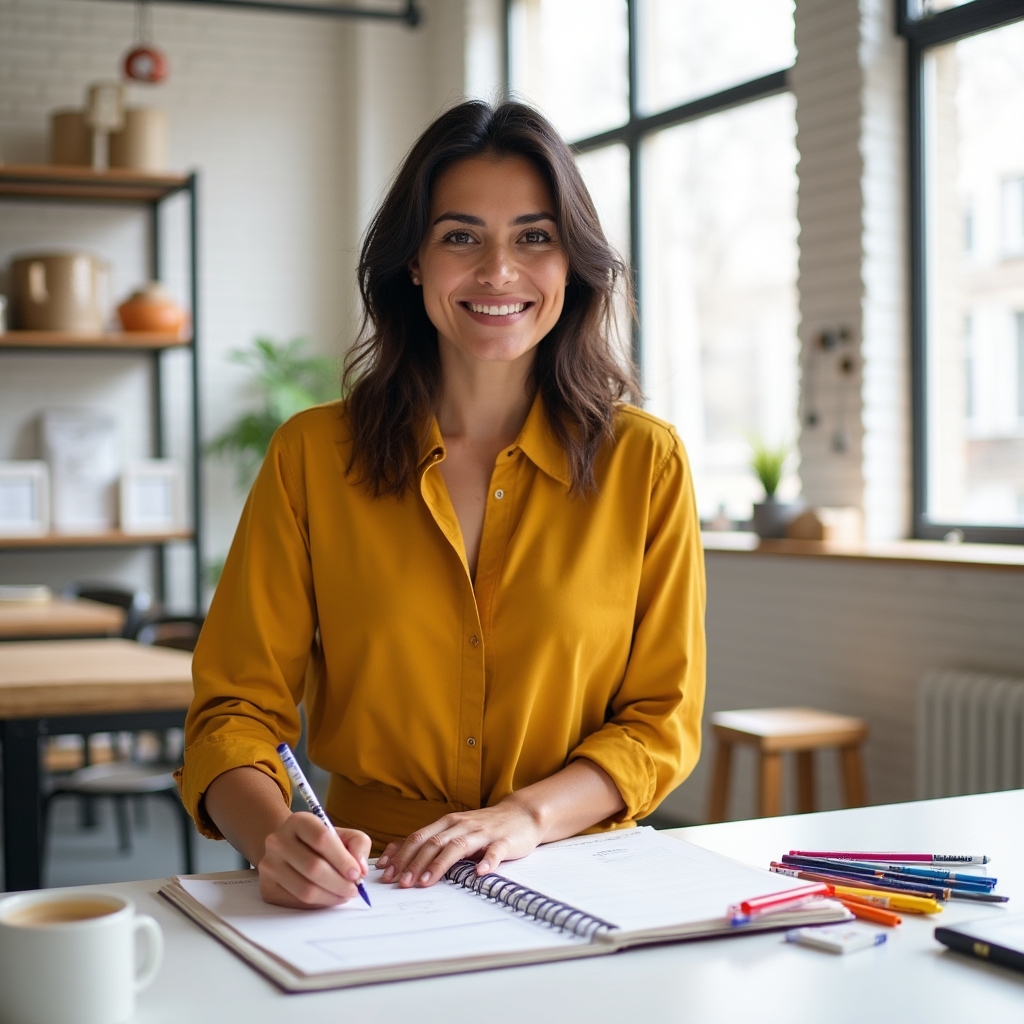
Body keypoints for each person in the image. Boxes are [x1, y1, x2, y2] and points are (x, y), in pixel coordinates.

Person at [177, 100, 706, 910]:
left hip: (575, 877)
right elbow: (234, 712)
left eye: (534, 237)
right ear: (415, 262)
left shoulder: (645, 462)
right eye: (461, 236)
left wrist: (525, 816)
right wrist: (274, 836)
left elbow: (659, 721)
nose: (498, 271)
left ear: (573, 264)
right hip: (367, 887)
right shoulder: (312, 457)